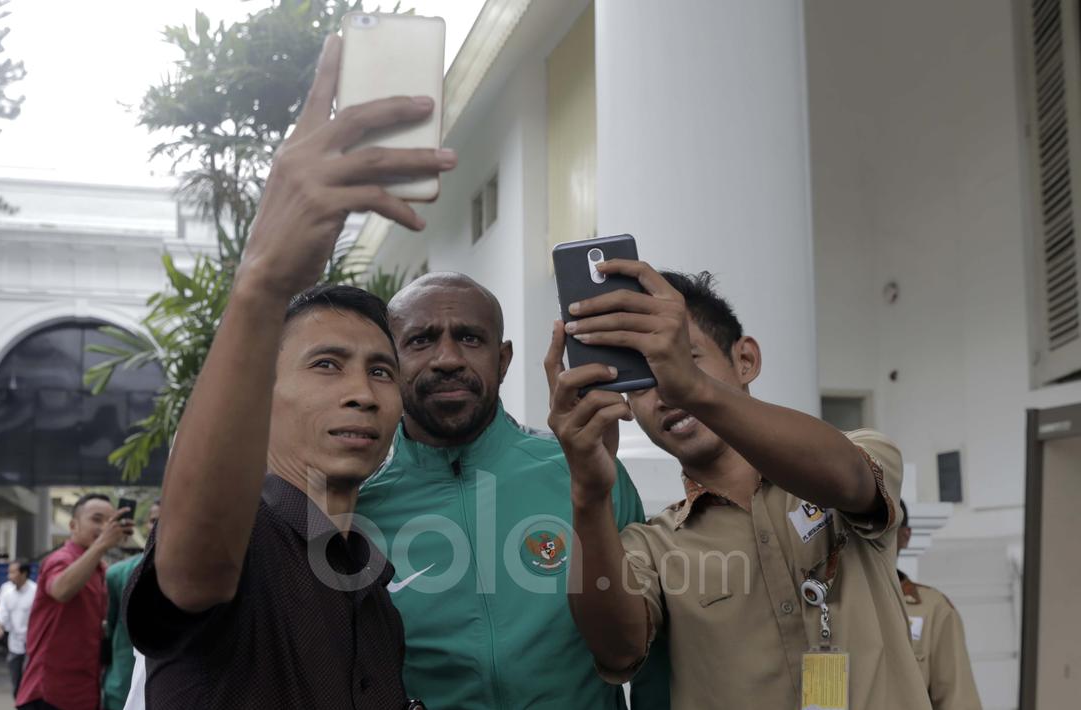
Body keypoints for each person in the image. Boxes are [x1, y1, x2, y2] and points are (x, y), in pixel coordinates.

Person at [122, 34, 454, 709]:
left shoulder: (373, 591)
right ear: (261, 394)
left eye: (382, 372)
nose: (361, 394)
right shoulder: (241, 544)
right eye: (326, 364)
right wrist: (262, 283)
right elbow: (194, 568)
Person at [546, 263, 932, 709]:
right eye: (644, 381)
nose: (665, 391)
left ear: (745, 360)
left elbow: (849, 480)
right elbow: (617, 649)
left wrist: (695, 390)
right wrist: (589, 492)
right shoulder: (652, 546)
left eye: (684, 358)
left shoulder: (860, 453)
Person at [354, 272, 667, 709]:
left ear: (503, 360)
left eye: (469, 338)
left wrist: (591, 492)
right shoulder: (357, 515)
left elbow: (646, 654)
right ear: (390, 363)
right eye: (421, 340)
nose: (448, 359)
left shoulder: (587, 473)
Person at [16, 493, 134, 710]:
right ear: (73, 525)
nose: (105, 527)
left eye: (110, 521)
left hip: (84, 693)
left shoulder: (101, 569)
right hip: (49, 694)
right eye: (96, 519)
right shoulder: (61, 558)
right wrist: (101, 545)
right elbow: (61, 590)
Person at [897, 500, 983, 709]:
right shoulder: (825, 604)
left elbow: (958, 702)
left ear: (905, 536)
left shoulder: (933, 609)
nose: (868, 536)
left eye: (881, 527)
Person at [104, 500, 160, 710]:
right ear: (146, 525)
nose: (160, 526)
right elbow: (110, 627)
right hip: (122, 681)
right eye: (154, 520)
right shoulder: (117, 574)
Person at [0, 561, 36, 698]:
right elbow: (1, 612)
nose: (9, 576)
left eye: (13, 572)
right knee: (15, 676)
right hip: (14, 641)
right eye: (9, 572)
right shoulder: (6, 590)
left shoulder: (35, 591)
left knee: (29, 677)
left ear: (24, 574)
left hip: (32, 641)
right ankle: (18, 700)